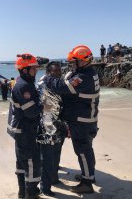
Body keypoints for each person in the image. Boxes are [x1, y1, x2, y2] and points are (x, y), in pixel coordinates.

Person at [44, 45, 100, 194]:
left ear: (83, 61)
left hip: (82, 121)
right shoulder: (89, 72)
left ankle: (87, 183)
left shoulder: (83, 77)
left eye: (74, 62)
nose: (72, 65)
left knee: (82, 151)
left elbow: (63, 87)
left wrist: (48, 78)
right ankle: (89, 175)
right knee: (87, 150)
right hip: (87, 120)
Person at [7, 54, 42, 199]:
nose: (36, 71)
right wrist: (43, 105)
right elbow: (31, 111)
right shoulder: (23, 86)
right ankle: (31, 194)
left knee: (21, 162)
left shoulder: (23, 82)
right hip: (25, 130)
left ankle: (23, 192)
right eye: (34, 68)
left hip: (20, 129)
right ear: (25, 70)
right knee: (32, 162)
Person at [37, 61, 68, 196]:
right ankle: (45, 187)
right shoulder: (44, 84)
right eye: (54, 71)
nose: (58, 73)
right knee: (46, 159)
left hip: (59, 125)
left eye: (59, 70)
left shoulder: (59, 84)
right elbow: (44, 107)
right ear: (48, 72)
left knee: (56, 154)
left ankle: (54, 179)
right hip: (47, 126)